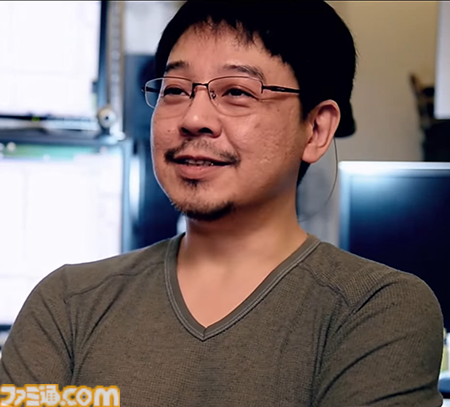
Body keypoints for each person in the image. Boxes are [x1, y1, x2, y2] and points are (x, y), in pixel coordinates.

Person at [0, 1, 444, 406]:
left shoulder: (375, 309)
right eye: (175, 90)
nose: (193, 118)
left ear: (316, 130)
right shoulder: (69, 304)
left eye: (237, 92)